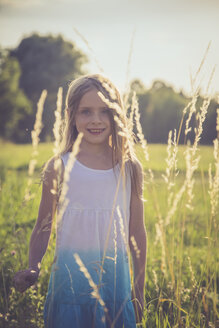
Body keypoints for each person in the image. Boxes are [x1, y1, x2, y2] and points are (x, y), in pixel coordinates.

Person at [14, 74, 147, 328]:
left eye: (104, 111)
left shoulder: (129, 168)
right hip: (69, 291)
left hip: (115, 293)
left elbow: (137, 233)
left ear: (116, 114)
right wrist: (33, 266)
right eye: (86, 112)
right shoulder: (58, 167)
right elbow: (44, 226)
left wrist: (138, 291)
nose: (96, 120)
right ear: (72, 114)